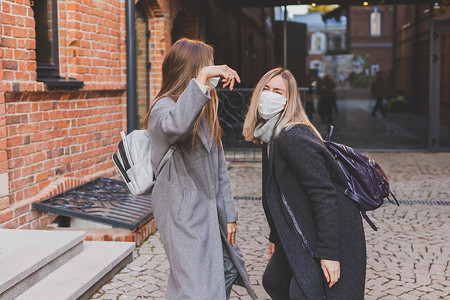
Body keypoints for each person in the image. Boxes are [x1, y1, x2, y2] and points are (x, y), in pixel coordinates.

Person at [143, 38, 256, 300]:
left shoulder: (204, 111)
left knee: (226, 269)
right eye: (208, 67)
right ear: (192, 71)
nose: (214, 71)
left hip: (208, 211)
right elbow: (176, 127)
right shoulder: (163, 107)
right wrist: (203, 79)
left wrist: (229, 214)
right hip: (182, 214)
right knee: (194, 287)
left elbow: (219, 168)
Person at [242, 68, 366, 300]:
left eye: (278, 91)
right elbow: (278, 193)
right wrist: (276, 235)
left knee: (304, 292)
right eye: (265, 89)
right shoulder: (271, 134)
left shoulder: (292, 136)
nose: (269, 95)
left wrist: (329, 253)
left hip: (333, 229)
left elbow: (324, 194)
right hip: (302, 225)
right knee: (275, 281)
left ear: (289, 100)